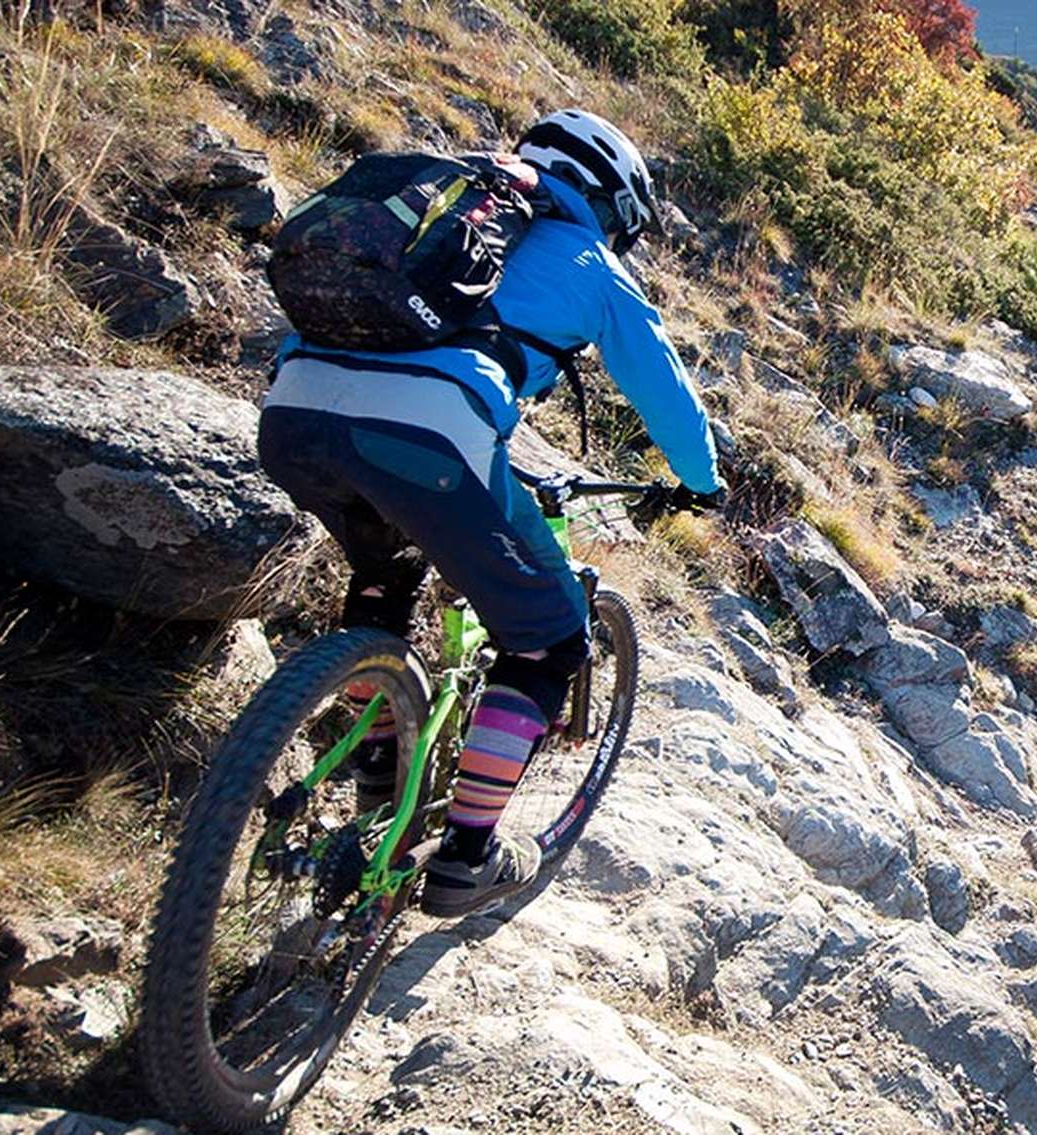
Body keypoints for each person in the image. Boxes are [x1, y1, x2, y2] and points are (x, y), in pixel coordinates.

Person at [256, 109, 723, 917]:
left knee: (384, 578)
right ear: (611, 206)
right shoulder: (590, 261)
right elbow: (667, 397)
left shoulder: (445, 206)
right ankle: (466, 858)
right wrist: (703, 483)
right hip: (431, 435)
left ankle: (377, 783)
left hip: (292, 414)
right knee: (550, 640)